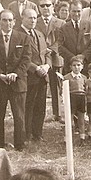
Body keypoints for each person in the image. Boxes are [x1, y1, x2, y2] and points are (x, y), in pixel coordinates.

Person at [0, 9, 31, 151]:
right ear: (0, 21)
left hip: (18, 82)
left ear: (14, 22)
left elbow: (26, 59)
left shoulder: (23, 38)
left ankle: (20, 145)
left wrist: (16, 74)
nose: (7, 23)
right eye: (4, 20)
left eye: (10, 20)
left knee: (19, 115)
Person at [18, 8, 51, 142]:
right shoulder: (18, 34)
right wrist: (35, 68)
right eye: (29, 18)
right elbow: (20, 57)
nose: (32, 20)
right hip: (28, 76)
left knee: (40, 106)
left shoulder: (39, 34)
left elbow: (46, 53)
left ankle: (38, 133)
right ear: (22, 18)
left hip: (42, 76)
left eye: (34, 18)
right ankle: (26, 134)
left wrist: (47, 66)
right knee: (28, 106)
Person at [36, 0, 66, 122]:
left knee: (57, 85)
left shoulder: (60, 23)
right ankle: (39, 113)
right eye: (42, 5)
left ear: (53, 7)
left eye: (48, 5)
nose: (45, 8)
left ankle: (57, 113)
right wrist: (43, 50)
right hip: (40, 58)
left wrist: (51, 49)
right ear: (39, 8)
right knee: (40, 87)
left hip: (55, 56)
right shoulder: (35, 22)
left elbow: (62, 39)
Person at [58, 1, 91, 73]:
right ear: (70, 12)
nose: (76, 14)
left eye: (78, 11)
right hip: (70, 66)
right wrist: (72, 58)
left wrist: (83, 56)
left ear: (82, 11)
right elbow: (60, 46)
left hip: (88, 65)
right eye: (74, 11)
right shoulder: (63, 28)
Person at [63, 55, 88, 143]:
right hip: (71, 98)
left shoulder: (84, 78)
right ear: (70, 67)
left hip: (81, 98)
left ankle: (82, 138)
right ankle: (67, 138)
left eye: (78, 65)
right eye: (74, 65)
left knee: (81, 119)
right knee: (69, 118)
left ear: (82, 66)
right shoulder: (66, 77)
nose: (76, 67)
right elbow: (63, 90)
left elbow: (86, 90)